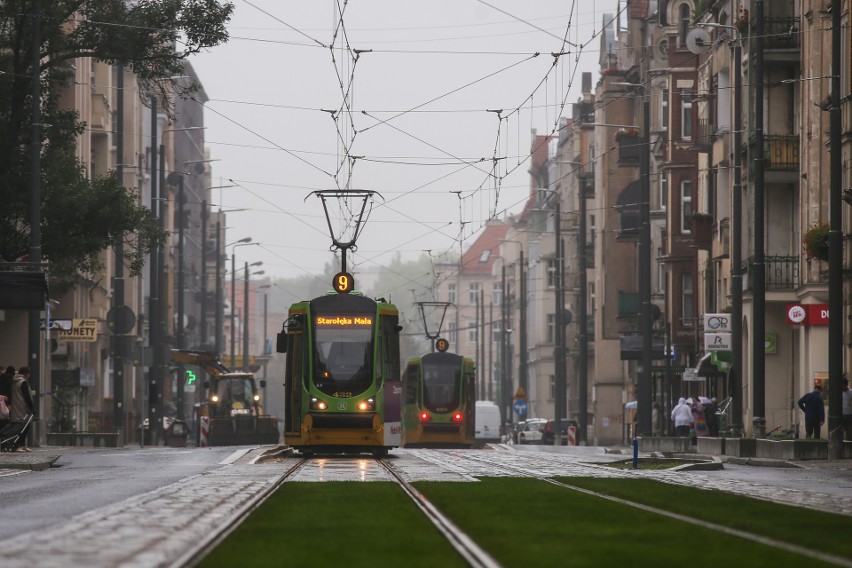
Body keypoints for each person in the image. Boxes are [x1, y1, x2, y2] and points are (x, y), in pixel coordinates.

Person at [9, 366, 35, 451]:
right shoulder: (23, 382)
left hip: (16, 406)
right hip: (23, 408)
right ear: (26, 373)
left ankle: (22, 445)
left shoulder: (14, 382)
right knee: (22, 428)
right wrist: (32, 408)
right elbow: (27, 396)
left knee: (22, 427)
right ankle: (18, 445)